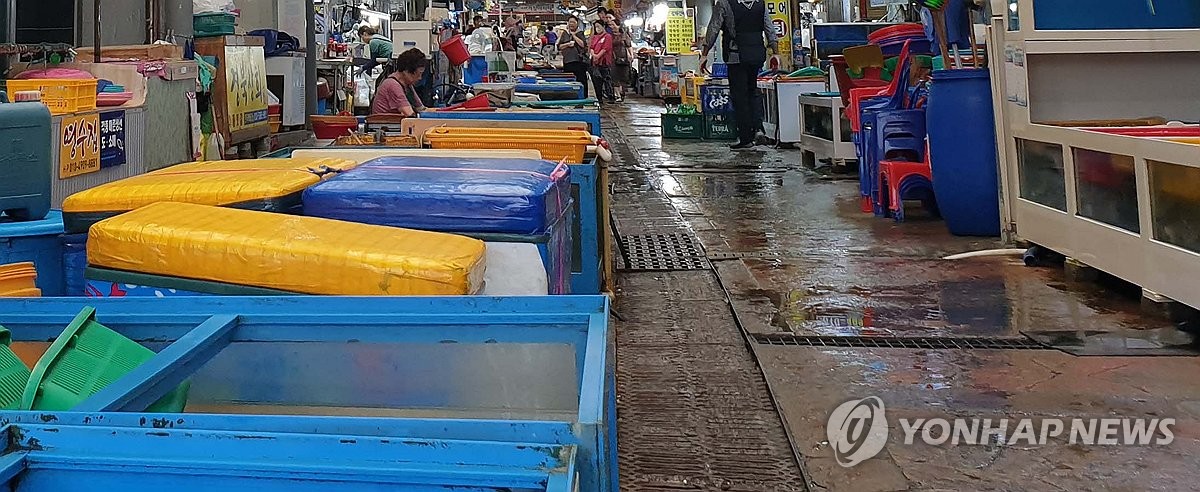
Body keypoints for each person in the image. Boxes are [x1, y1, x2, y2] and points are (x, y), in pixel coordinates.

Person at [701, 0, 778, 149]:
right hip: (756, 55)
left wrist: (704, 54)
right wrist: (776, 53)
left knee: (740, 96)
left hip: (736, 56)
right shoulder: (759, 3)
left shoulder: (724, 3)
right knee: (752, 91)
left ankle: (745, 138)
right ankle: (758, 129)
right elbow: (770, 28)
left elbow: (713, 28)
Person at [371, 48, 428, 116]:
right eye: (419, 74)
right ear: (406, 71)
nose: (420, 78)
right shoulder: (393, 85)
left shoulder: (407, 85)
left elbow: (421, 109)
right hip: (386, 124)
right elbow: (409, 114)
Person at [557, 16, 590, 98]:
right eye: (570, 22)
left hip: (579, 61)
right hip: (568, 61)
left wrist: (574, 36)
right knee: (569, 81)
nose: (571, 24)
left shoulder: (580, 33)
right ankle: (570, 97)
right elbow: (559, 46)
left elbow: (583, 45)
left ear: (577, 23)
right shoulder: (564, 34)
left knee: (581, 81)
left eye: (573, 22)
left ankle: (583, 98)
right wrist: (567, 44)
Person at [588, 20, 615, 103]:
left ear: (603, 26)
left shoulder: (608, 36)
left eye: (599, 26)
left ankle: (610, 97)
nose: (597, 29)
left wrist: (598, 55)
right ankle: (599, 98)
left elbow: (605, 48)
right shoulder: (595, 37)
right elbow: (592, 47)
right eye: (596, 27)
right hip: (595, 63)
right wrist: (594, 55)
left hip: (604, 62)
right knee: (597, 81)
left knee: (607, 80)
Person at [607, 12, 632, 101]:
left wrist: (631, 55)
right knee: (614, 76)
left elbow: (629, 45)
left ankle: (622, 93)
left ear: (618, 25)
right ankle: (617, 95)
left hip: (624, 57)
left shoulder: (624, 35)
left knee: (623, 77)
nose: (612, 27)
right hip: (613, 57)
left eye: (613, 25)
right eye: (611, 25)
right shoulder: (609, 36)